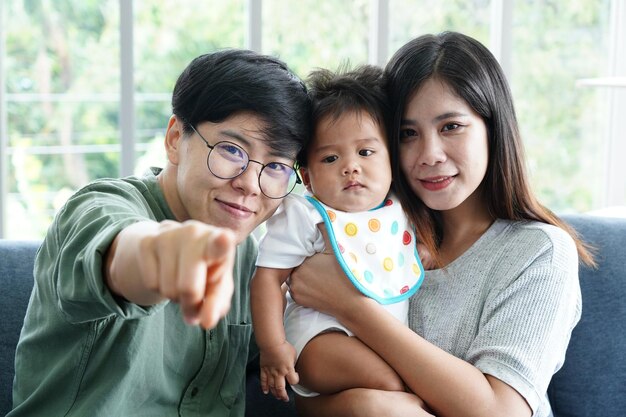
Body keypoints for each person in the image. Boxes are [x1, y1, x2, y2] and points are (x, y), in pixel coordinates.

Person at [288, 31, 595, 417]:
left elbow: (503, 411)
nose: (429, 155)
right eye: (407, 134)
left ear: (492, 128)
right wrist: (366, 403)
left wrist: (353, 308)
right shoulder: (367, 233)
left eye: (451, 126)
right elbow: (307, 387)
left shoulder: (539, 251)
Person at [9, 49, 311, 417]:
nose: (250, 184)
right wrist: (168, 255)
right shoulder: (99, 208)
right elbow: (122, 253)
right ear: (174, 139)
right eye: (232, 150)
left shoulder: (252, 258)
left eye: (277, 166)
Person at [250, 65, 426, 402]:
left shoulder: (399, 208)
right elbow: (267, 279)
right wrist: (273, 346)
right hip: (318, 339)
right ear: (308, 176)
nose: (351, 166)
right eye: (330, 158)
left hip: (377, 337)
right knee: (391, 384)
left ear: (391, 158)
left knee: (398, 383)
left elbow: (409, 248)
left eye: (365, 152)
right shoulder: (306, 214)